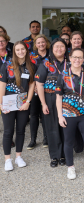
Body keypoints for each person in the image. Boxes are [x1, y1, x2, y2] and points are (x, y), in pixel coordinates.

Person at [56, 48, 84, 180]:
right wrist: (60, 115)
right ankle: (70, 167)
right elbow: (59, 97)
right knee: (68, 141)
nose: (77, 60)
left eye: (80, 57)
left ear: (83, 59)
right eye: (75, 57)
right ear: (69, 58)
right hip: (68, 115)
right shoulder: (63, 75)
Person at [0, 41, 35, 171]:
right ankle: (7, 159)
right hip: (8, 103)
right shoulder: (7, 65)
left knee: (21, 130)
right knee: (8, 131)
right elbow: (2, 85)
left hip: (23, 103)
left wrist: (28, 102)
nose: (20, 52)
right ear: (14, 52)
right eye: (17, 50)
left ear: (26, 50)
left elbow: (32, 85)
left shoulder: (31, 66)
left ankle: (18, 156)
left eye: (22, 49)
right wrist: (1, 104)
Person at [36, 38, 69, 168]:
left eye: (62, 46)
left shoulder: (71, 62)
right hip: (50, 98)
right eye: (56, 47)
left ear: (66, 48)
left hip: (67, 99)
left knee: (65, 127)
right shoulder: (45, 63)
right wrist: (43, 104)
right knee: (52, 128)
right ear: (52, 49)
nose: (59, 49)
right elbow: (39, 84)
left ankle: (65, 154)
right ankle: (55, 155)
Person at [27, 34, 50, 150]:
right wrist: (34, 85)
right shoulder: (31, 56)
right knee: (34, 114)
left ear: (46, 42)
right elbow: (29, 71)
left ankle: (46, 138)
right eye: (38, 43)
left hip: (48, 88)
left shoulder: (51, 54)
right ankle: (33, 140)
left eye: (43, 42)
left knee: (45, 113)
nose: (41, 44)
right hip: (35, 88)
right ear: (35, 45)